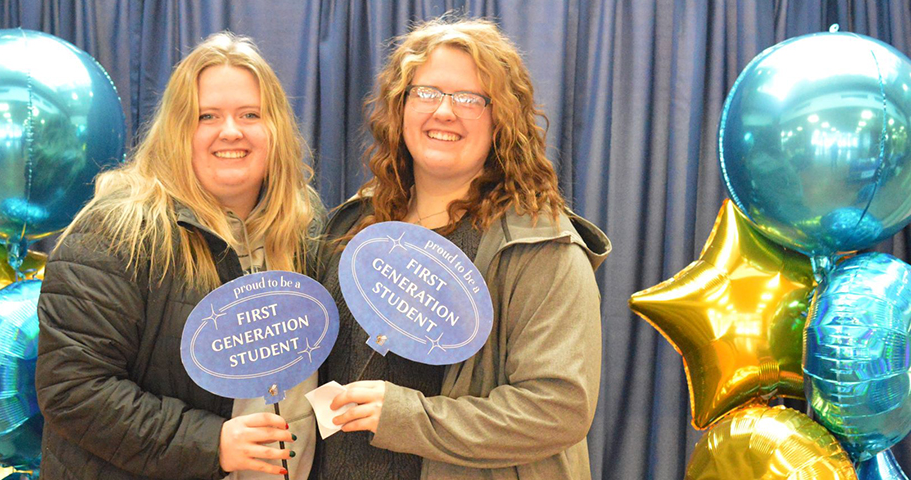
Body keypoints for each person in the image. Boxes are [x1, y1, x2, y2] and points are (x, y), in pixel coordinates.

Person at [314, 18, 611, 479]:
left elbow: (559, 408)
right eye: (427, 92)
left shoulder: (541, 248)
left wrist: (405, 418)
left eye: (470, 99)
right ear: (400, 107)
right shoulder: (355, 224)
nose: (445, 112)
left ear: (502, 120)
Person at [35, 32, 321, 480]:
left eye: (250, 114)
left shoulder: (307, 232)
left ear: (276, 129)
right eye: (207, 116)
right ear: (176, 129)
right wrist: (212, 444)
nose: (231, 131)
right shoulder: (116, 234)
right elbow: (73, 390)